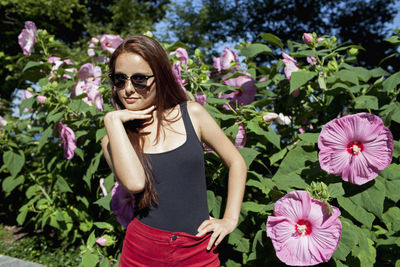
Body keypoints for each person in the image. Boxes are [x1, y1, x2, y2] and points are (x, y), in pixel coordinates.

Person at [101, 35, 247, 266]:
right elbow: (135, 184)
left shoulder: (192, 113)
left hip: (199, 249)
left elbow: (236, 161)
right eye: (120, 80)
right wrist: (112, 120)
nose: (128, 89)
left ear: (159, 77)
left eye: (139, 79)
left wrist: (230, 219)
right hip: (141, 251)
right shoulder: (113, 138)